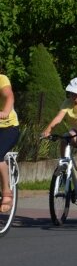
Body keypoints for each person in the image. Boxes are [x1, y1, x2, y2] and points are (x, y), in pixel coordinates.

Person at [42, 77, 77, 206]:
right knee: (65, 137)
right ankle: (64, 167)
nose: (74, 97)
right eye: (72, 93)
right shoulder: (67, 102)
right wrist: (48, 130)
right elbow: (58, 117)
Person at [0, 72, 20, 213]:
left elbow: (9, 96)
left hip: (8, 127)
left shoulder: (2, 79)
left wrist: (6, 111)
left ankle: (7, 192)